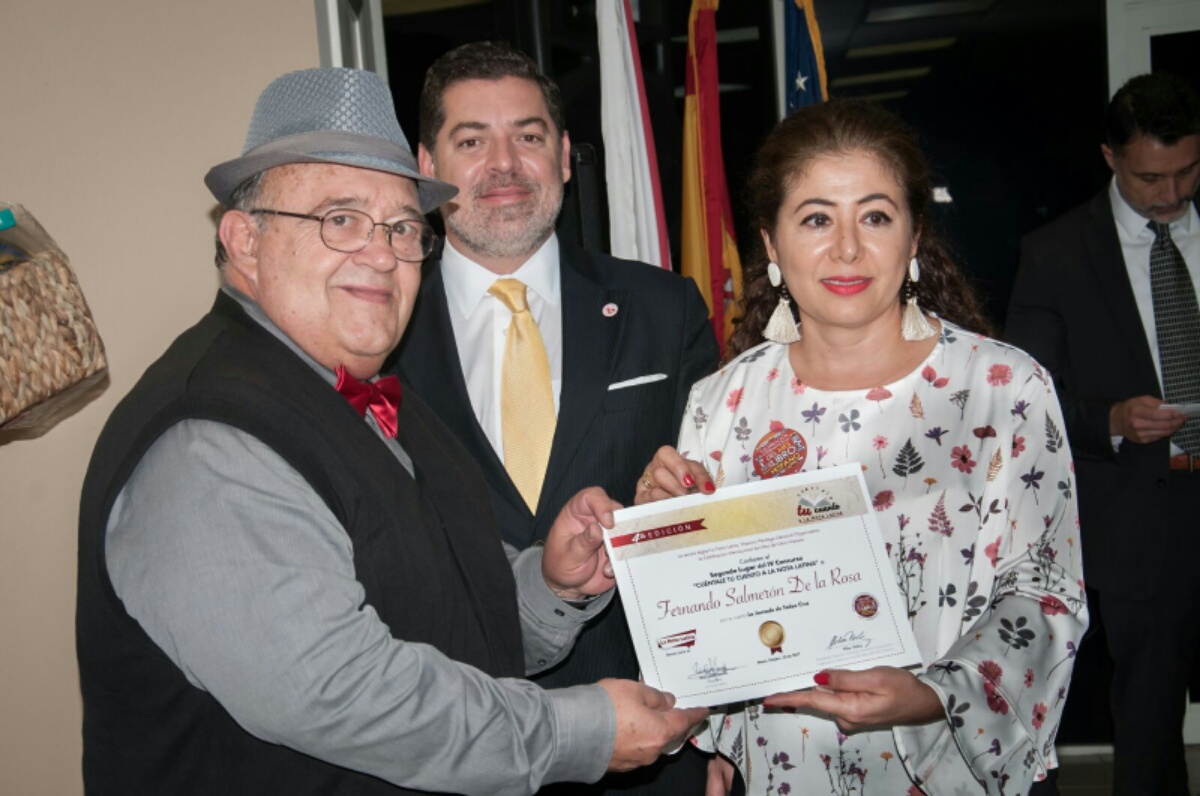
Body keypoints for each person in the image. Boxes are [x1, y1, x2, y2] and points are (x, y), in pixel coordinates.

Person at [75, 66, 707, 796]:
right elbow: (346, 691)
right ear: (244, 241)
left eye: (403, 228)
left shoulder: (377, 402)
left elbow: (444, 608)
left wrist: (549, 583)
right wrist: (581, 730)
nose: (381, 255)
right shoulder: (209, 443)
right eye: (340, 219)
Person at [637, 99, 1086, 795]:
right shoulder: (723, 402)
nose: (847, 248)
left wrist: (935, 693)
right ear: (772, 245)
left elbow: (1045, 593)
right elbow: (707, 612)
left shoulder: (1003, 388)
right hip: (786, 771)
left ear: (914, 238)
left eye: (875, 217)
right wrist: (661, 532)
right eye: (817, 219)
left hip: (953, 770)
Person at [391, 42, 719, 795]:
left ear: (566, 157)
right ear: (426, 166)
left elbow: (718, 525)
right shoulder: (378, 334)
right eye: (472, 141)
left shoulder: (663, 309)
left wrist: (723, 740)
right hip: (456, 746)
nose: (504, 164)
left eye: (529, 136)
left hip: (656, 744)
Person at [1005, 72, 1200, 794]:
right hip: (1141, 511)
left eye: (1188, 171)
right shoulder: (1056, 253)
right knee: (1150, 717)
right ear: (1110, 157)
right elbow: (1029, 396)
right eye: (1151, 177)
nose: (1171, 194)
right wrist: (1111, 420)